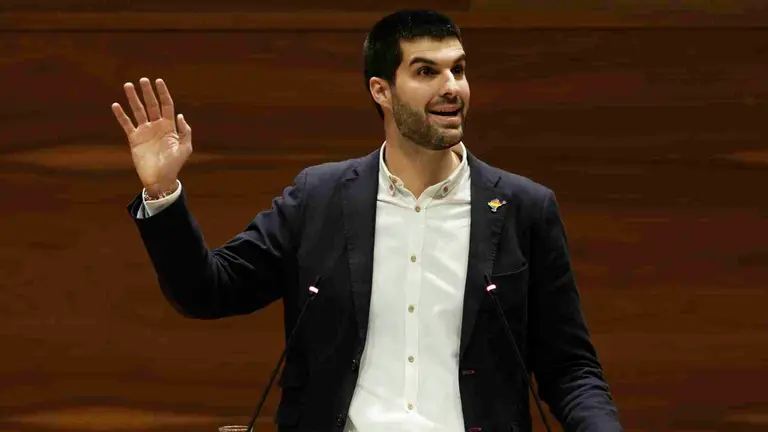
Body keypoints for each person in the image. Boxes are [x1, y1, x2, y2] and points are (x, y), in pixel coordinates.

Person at [113, 9, 622, 432]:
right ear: (381, 90)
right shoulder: (321, 198)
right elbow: (208, 290)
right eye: (426, 72)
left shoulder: (523, 208)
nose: (453, 88)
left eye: (459, 70)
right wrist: (162, 191)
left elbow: (570, 367)